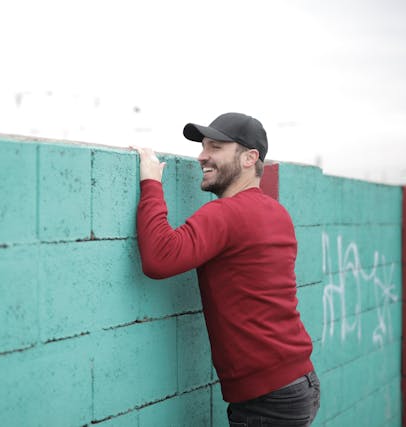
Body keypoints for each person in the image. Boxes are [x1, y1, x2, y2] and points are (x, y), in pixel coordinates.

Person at [132, 112, 320, 426]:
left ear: (250, 158)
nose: (202, 156)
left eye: (216, 147)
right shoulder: (277, 212)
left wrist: (151, 183)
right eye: (203, 146)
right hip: (300, 381)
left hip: (268, 398)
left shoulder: (225, 214)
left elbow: (159, 258)